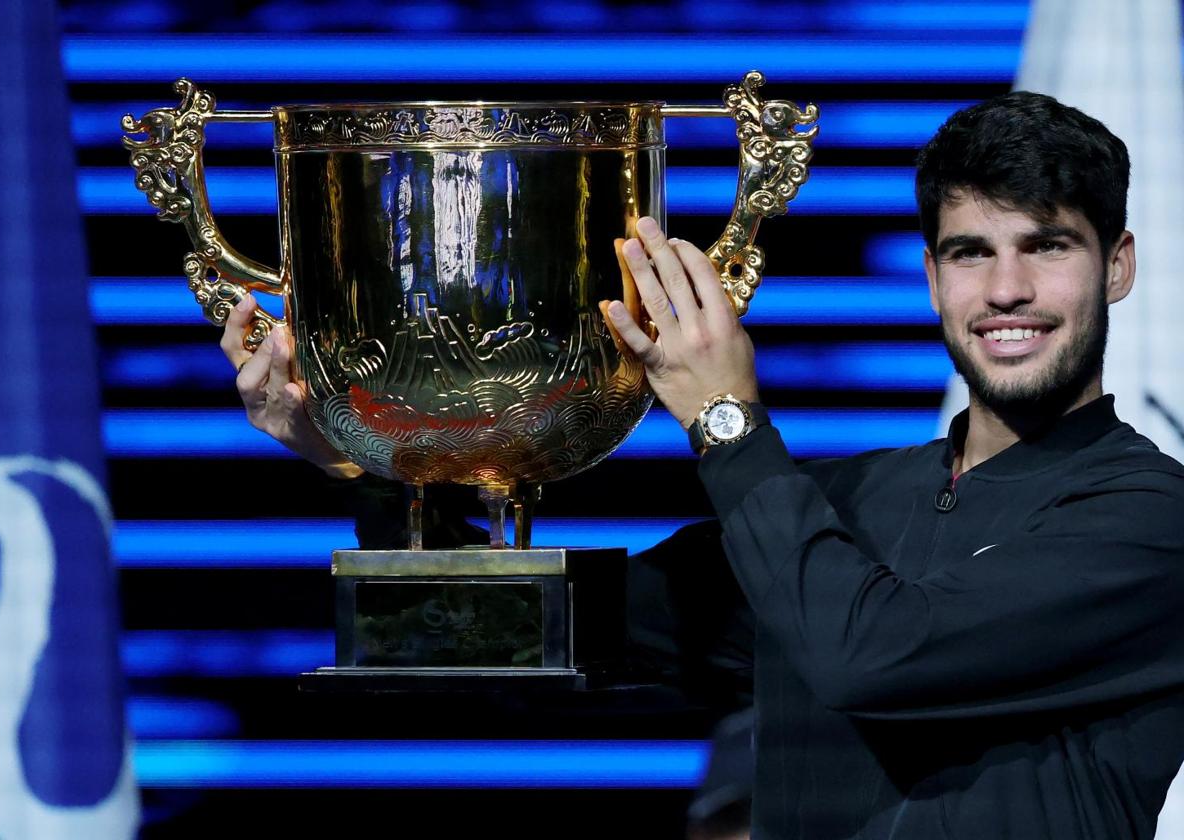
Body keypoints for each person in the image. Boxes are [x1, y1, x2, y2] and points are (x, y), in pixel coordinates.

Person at [221, 92, 1184, 838]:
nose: (1006, 289)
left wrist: (725, 416)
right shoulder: (841, 504)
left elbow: (874, 656)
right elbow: (503, 632)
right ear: (932, 278)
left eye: (1046, 246)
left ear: (1118, 266)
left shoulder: (1150, 520)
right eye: (971, 253)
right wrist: (368, 457)